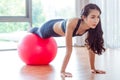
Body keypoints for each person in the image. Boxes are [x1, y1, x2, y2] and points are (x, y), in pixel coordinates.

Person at [29, 3, 106, 77]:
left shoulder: (91, 26)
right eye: (93, 17)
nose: (96, 20)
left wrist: (93, 68)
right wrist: (62, 71)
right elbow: (69, 50)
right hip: (48, 28)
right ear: (83, 17)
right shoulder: (72, 23)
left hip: (61, 22)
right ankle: (31, 30)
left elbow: (91, 48)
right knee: (37, 32)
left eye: (98, 17)